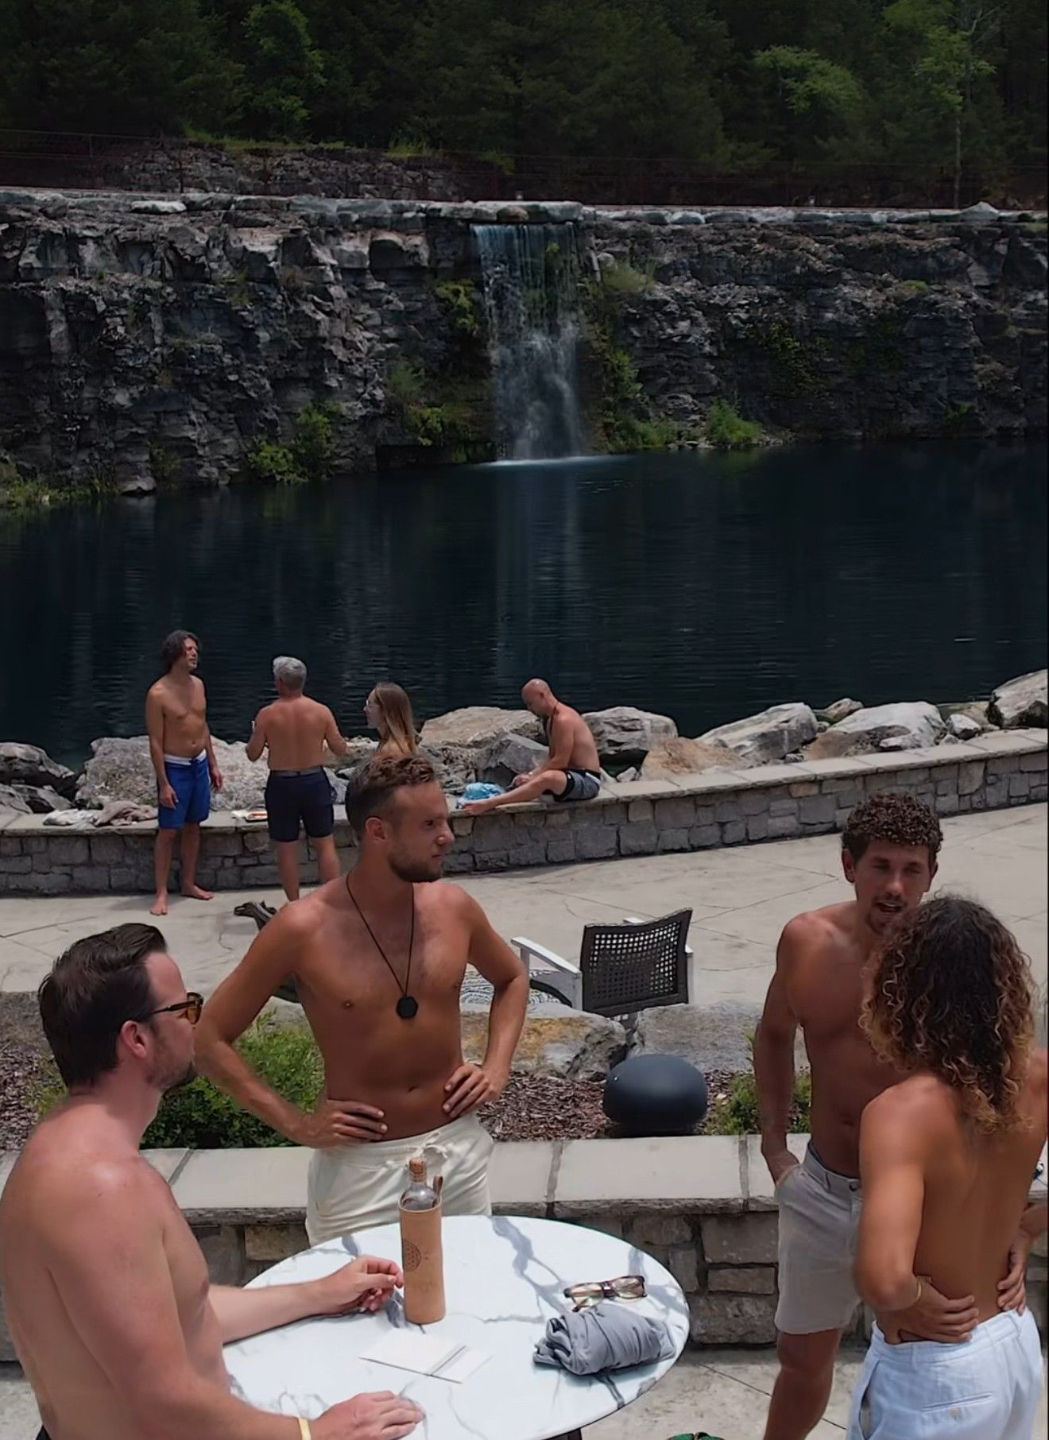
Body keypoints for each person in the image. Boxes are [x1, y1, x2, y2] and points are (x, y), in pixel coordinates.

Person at [0, 923, 424, 1440]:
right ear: (137, 1039)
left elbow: (181, 1314)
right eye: (185, 1009)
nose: (194, 1024)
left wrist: (319, 1293)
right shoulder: (103, 1190)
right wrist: (314, 1433)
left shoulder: (59, 1152)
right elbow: (163, 1401)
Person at [196, 754, 530, 1244]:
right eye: (429, 825)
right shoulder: (303, 928)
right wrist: (297, 1125)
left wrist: (496, 1068)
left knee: (466, 1287)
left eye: (445, 820)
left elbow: (512, 978)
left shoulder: (454, 909)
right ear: (378, 832)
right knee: (353, 1295)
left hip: (455, 1151)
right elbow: (208, 1039)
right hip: (359, 1170)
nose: (448, 837)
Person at [754, 793, 971, 1440]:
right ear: (849, 865)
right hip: (821, 1188)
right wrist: (774, 1148)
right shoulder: (806, 941)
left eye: (911, 869)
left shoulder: (953, 963)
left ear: (931, 875)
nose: (895, 886)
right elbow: (773, 1034)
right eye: (880, 866)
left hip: (917, 1202)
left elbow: (1001, 1084)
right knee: (800, 1361)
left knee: (919, 1358)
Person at [849, 896, 1046, 1440]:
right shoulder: (1038, 1078)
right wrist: (1027, 1229)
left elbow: (884, 1276)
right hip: (1013, 1341)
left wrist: (910, 1299)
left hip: (938, 1369)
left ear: (901, 992)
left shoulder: (900, 1115)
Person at [247, 656, 349, 902]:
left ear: (279, 683)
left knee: (286, 848)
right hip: (314, 780)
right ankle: (333, 902)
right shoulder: (321, 711)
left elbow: (253, 754)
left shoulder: (267, 715)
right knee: (324, 843)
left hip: (282, 783)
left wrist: (256, 734)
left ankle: (294, 904)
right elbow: (340, 749)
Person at [146, 630, 223, 918]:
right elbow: (155, 741)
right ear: (175, 653)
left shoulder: (199, 685)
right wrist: (164, 783)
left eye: (195, 650)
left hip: (198, 764)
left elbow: (203, 725)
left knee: (194, 825)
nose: (194, 654)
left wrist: (213, 764)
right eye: (189, 650)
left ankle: (188, 883)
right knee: (168, 830)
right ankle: (161, 891)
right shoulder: (158, 694)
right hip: (175, 766)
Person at [462, 678, 602, 815]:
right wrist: (530, 775)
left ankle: (492, 802)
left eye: (530, 704)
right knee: (529, 779)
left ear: (542, 696)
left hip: (587, 780)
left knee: (547, 778)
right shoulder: (550, 719)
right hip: (568, 776)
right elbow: (552, 757)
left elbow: (560, 761)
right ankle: (501, 795)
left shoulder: (563, 720)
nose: (529, 709)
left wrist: (533, 776)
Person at [365, 683, 420, 760]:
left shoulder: (391, 751)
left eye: (370, 705)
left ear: (385, 710)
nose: (365, 709)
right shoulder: (391, 743)